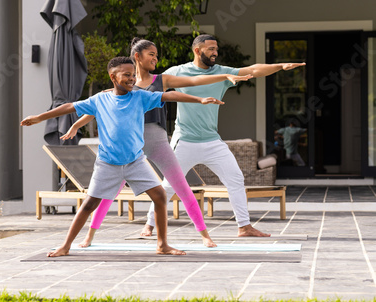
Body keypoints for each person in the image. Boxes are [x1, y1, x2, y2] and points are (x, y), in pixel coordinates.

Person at [21, 56, 224, 257]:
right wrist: (39, 117)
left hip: (136, 161)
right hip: (107, 164)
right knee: (89, 204)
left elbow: (169, 96)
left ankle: (162, 245)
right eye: (126, 75)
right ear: (113, 77)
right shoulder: (99, 100)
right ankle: (65, 245)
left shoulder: (140, 97)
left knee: (160, 196)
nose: (132, 79)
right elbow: (69, 107)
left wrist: (199, 100)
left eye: (133, 75)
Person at [62, 38, 252, 248]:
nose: (156, 58)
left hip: (158, 141)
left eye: (156, 54)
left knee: (183, 188)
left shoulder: (162, 80)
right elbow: (98, 107)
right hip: (132, 145)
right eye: (151, 54)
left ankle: (205, 235)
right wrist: (76, 126)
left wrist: (224, 75)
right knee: (108, 193)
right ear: (137, 57)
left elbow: (194, 82)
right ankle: (89, 235)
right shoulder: (124, 84)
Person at [141, 34, 306, 237]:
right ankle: (149, 225)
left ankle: (244, 226)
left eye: (216, 49)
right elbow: (151, 87)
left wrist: (279, 66)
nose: (215, 53)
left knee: (235, 178)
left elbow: (253, 70)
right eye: (210, 49)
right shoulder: (178, 72)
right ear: (197, 50)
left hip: (212, 141)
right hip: (185, 140)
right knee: (170, 184)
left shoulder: (222, 73)